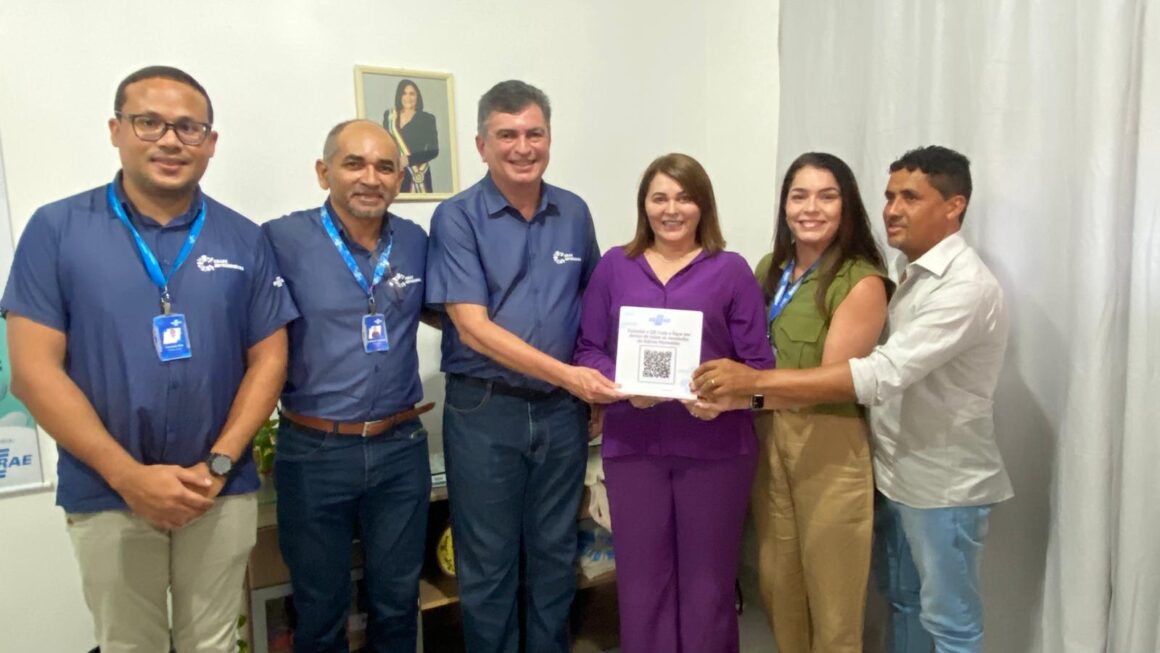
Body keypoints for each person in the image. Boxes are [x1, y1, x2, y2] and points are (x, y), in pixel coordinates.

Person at [1, 65, 297, 652]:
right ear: (116, 130)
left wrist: (217, 465)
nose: (169, 140)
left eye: (189, 128)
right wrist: (128, 476)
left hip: (219, 489)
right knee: (128, 644)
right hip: (108, 488)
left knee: (211, 642)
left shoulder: (243, 238)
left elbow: (269, 359)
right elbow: (33, 372)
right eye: (149, 122)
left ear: (211, 143)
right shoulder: (56, 230)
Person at [693, 146, 1011, 653]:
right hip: (893, 467)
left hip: (939, 479)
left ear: (954, 206)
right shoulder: (908, 274)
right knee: (893, 600)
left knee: (943, 620)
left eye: (910, 197)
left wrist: (744, 388)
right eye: (889, 196)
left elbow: (863, 377)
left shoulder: (954, 287)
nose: (894, 209)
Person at [425, 79, 621, 653]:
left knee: (557, 552)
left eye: (534, 133)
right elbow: (472, 326)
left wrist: (596, 391)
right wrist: (570, 377)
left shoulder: (574, 212)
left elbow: (594, 311)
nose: (522, 146)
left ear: (549, 138)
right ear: (483, 145)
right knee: (487, 563)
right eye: (506, 135)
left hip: (562, 413)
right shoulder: (457, 217)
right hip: (486, 408)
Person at [573, 153, 775, 652]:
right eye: (659, 197)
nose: (672, 209)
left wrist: (728, 400)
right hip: (634, 448)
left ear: (703, 206)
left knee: (708, 583)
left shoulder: (731, 271)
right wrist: (622, 383)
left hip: (716, 449)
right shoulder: (614, 267)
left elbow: (760, 367)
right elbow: (587, 350)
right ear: (644, 206)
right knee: (642, 584)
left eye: (684, 197)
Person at [262, 119, 434, 653]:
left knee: (398, 601)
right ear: (324, 172)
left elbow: (457, 314)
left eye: (384, 166)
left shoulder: (414, 241)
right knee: (320, 606)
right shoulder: (280, 239)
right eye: (354, 163)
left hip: (399, 449)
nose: (370, 177)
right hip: (315, 451)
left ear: (400, 179)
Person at [748, 152, 889, 653]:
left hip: (828, 441)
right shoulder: (770, 268)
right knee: (777, 581)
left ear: (846, 205)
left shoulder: (861, 279)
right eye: (798, 195)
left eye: (827, 196)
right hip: (767, 435)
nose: (811, 208)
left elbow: (836, 381)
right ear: (784, 205)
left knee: (833, 597)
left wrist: (745, 387)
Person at [383, 79, 439, 194]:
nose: (408, 97)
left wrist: (409, 160)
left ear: (417, 96)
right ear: (399, 96)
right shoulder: (389, 116)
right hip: (396, 173)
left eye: (412, 94)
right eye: (404, 93)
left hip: (419, 174)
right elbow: (384, 145)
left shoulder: (427, 119)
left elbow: (434, 151)